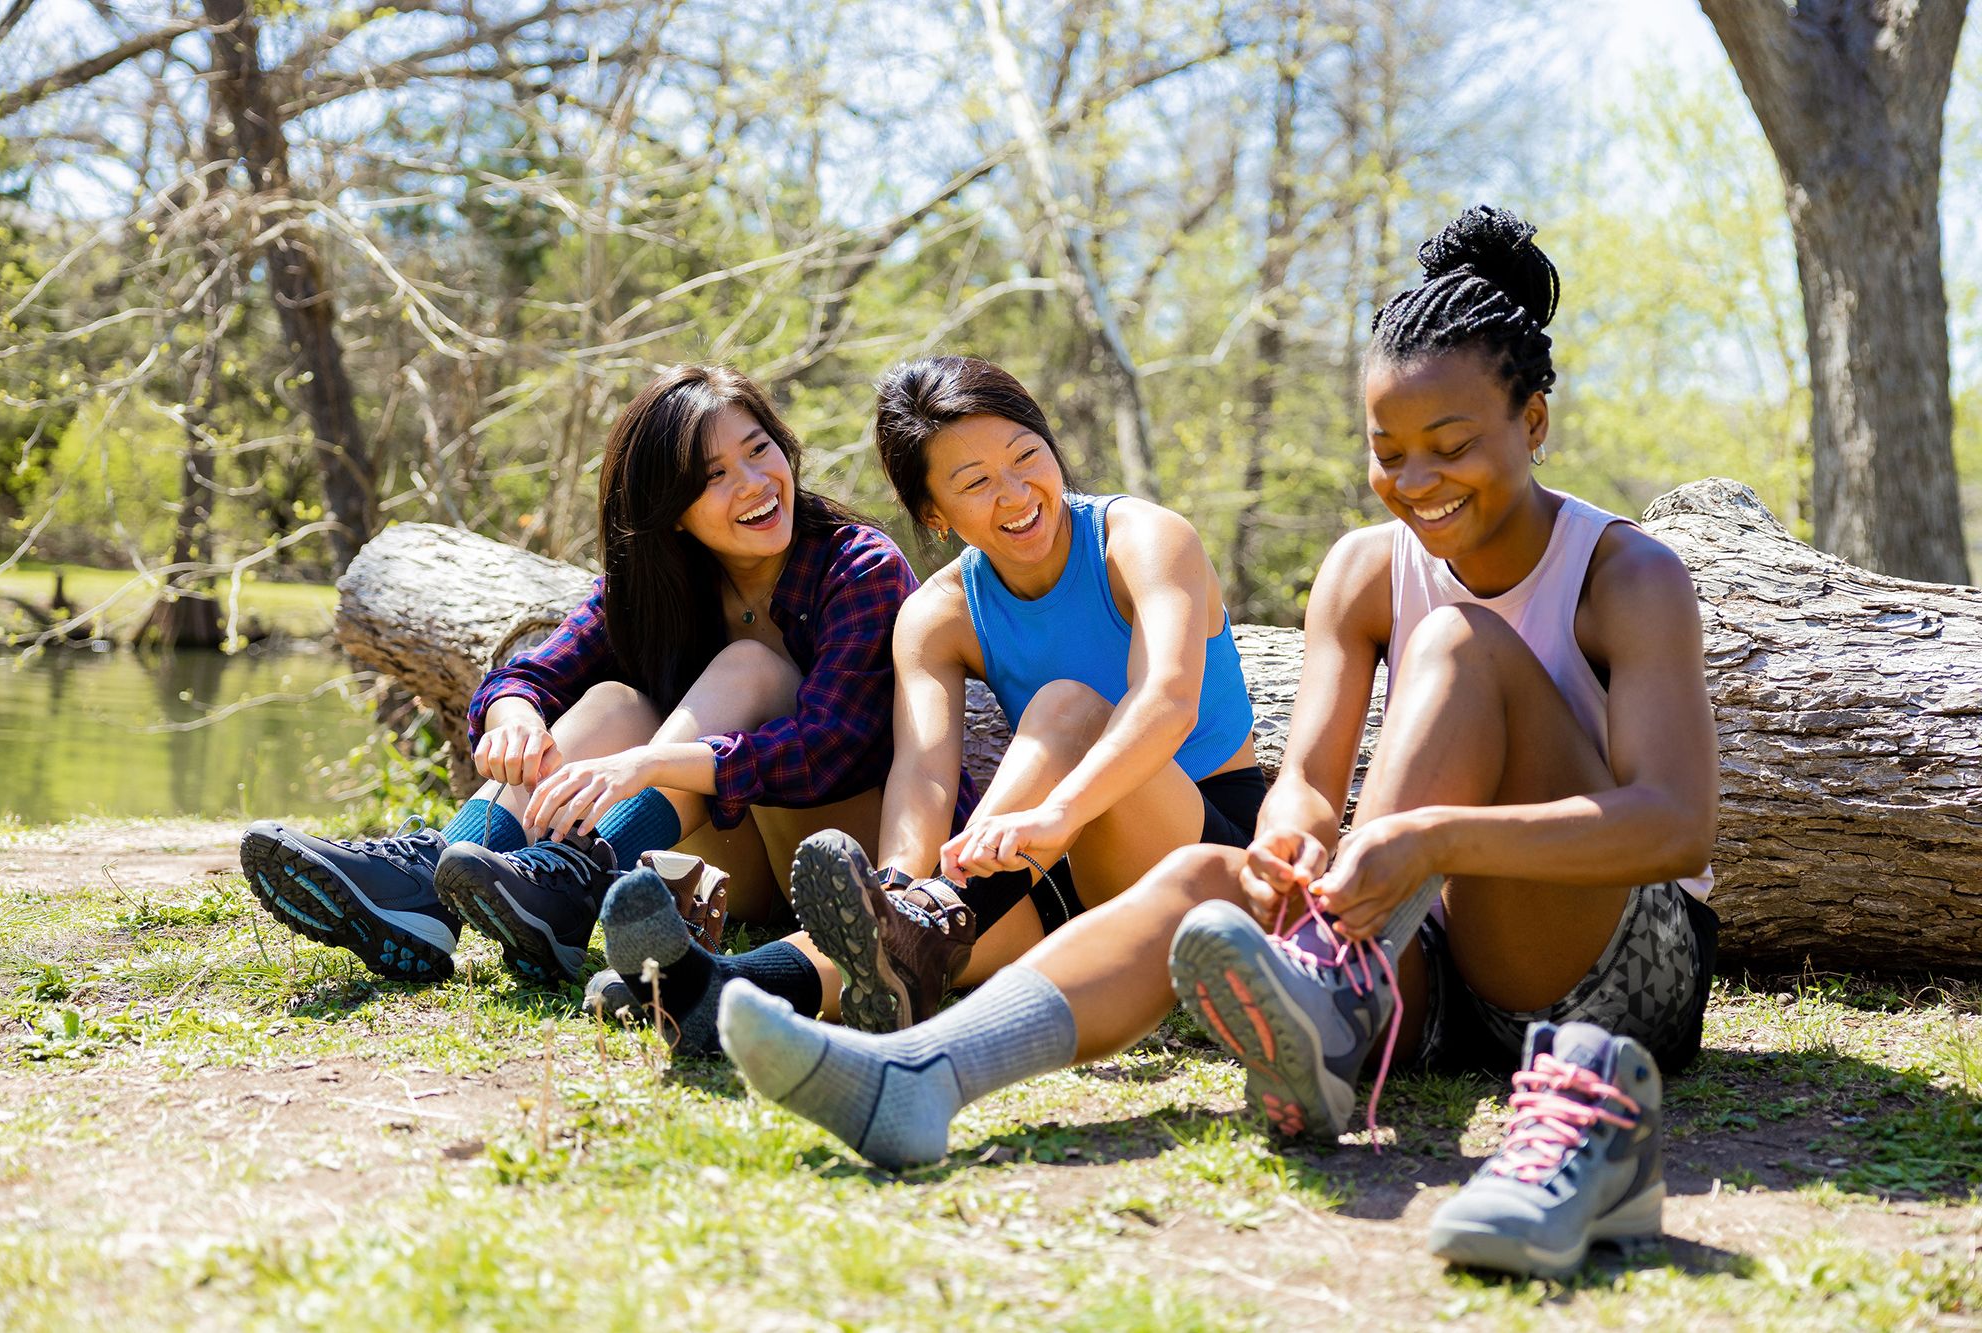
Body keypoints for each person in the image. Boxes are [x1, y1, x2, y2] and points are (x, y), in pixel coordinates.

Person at [716, 207, 1719, 1281]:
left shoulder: (1626, 574)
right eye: (1386, 451)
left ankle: (1331, 989)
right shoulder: (1360, 569)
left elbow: (1671, 826)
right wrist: (1289, 844)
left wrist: (1429, 837)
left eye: (1453, 445)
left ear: (1533, 422)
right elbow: (1304, 789)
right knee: (1205, 871)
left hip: (1604, 968)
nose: (1415, 479)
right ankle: (915, 1075)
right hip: (1418, 956)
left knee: (1457, 645)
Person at [603, 354, 1260, 1048]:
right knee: (908, 935)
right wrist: (891, 891)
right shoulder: (938, 614)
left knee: (1066, 705)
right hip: (1066, 872)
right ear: (934, 515)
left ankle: (880, 943)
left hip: (1211, 860)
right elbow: (924, 774)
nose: (1014, 494)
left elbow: (1168, 701)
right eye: (975, 483)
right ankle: (725, 992)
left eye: (1026, 456)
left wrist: (1057, 811)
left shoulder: (1143, 540)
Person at [239, 364, 915, 993]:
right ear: (671, 508)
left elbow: (832, 747)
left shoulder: (856, 565)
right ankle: (431, 888)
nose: (754, 482)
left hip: (833, 863)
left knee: (751, 667)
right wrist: (513, 714)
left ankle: (576, 877)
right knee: (615, 703)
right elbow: (532, 675)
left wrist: (649, 763)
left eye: (759, 448)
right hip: (724, 860)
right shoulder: (655, 585)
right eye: (713, 475)